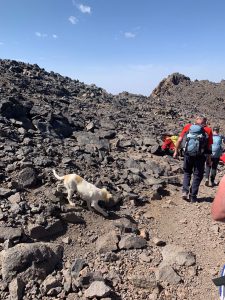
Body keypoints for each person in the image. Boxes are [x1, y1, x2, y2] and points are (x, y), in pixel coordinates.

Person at [173, 116, 213, 202]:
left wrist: (176, 151)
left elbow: (179, 140)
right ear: (205, 122)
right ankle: (193, 196)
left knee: (187, 172)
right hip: (200, 156)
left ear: (196, 120)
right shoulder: (208, 130)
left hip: (188, 154)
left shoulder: (188, 127)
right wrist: (209, 160)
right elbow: (209, 147)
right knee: (197, 175)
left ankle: (184, 191)